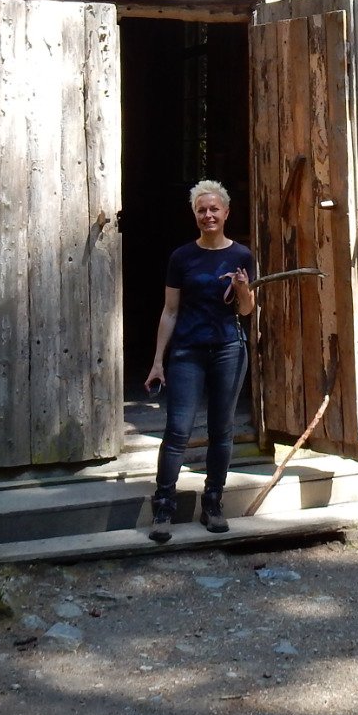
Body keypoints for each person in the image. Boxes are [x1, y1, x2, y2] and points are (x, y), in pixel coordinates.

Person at [143, 179, 255, 541]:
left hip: (228, 348)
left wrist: (242, 290)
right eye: (201, 210)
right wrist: (158, 360)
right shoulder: (182, 257)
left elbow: (247, 310)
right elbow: (170, 311)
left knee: (221, 431)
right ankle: (163, 507)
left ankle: (213, 503)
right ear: (195, 216)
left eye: (214, 209)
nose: (208, 215)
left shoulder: (241, 256)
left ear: (226, 213)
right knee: (177, 431)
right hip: (187, 351)